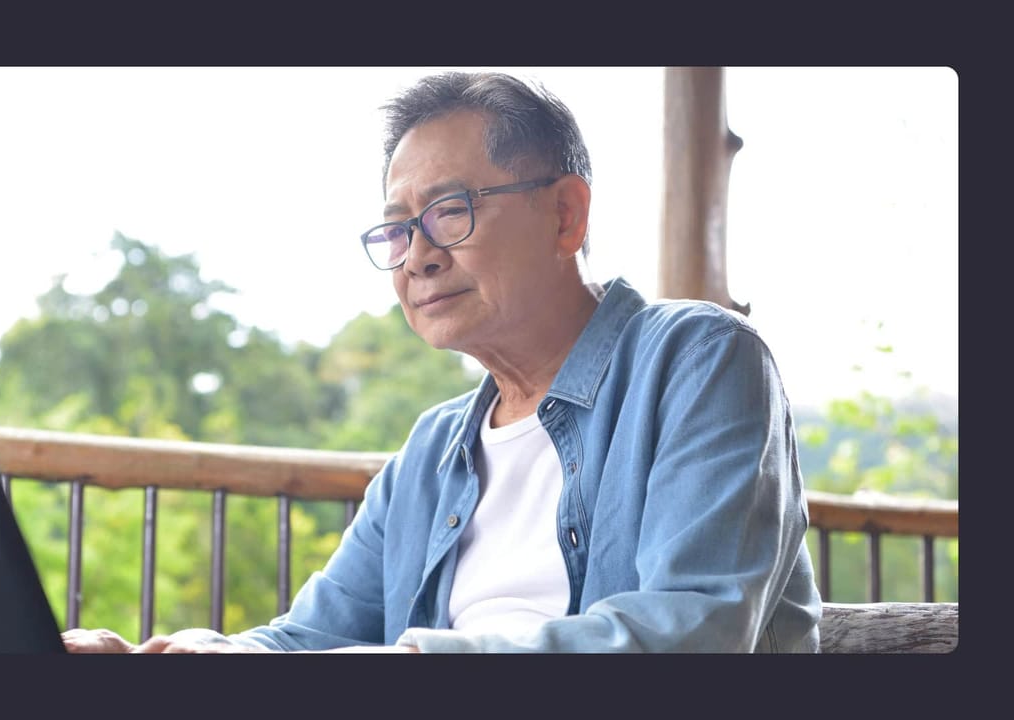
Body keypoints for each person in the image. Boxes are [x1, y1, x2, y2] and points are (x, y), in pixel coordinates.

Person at [62, 70, 822, 654]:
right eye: (397, 229)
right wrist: (187, 653)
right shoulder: (431, 452)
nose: (417, 257)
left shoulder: (697, 361)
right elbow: (309, 641)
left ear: (565, 214)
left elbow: (694, 631)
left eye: (449, 212)